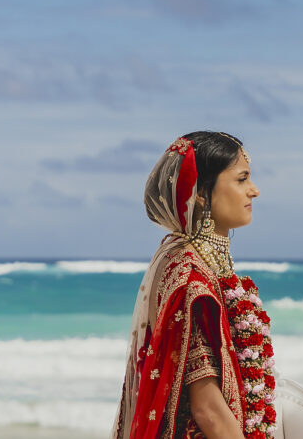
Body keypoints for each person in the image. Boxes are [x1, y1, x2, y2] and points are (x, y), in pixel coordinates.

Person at [114, 131, 277, 439]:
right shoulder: (191, 277)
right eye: (242, 179)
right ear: (201, 192)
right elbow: (208, 409)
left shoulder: (190, 261)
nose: (254, 191)